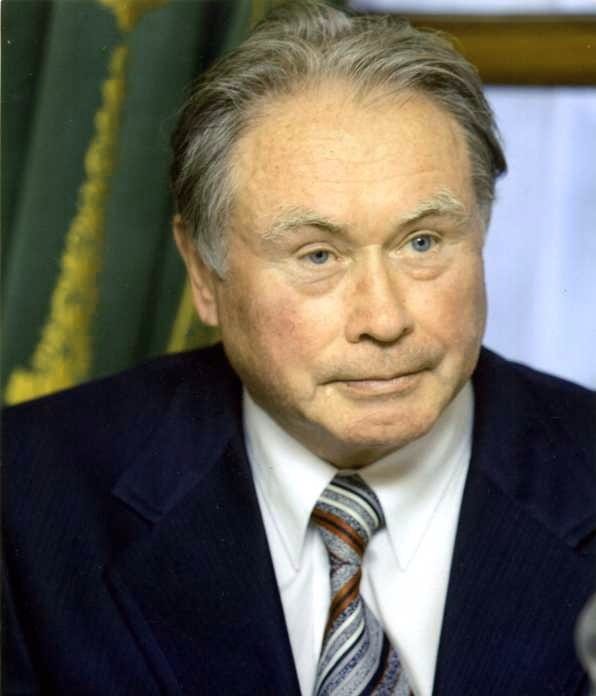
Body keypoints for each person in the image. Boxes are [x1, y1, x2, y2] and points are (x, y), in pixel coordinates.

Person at [3, 1, 596, 694]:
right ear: (203, 274)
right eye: (318, 256)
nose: (384, 319)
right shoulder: (26, 498)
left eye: (423, 243)